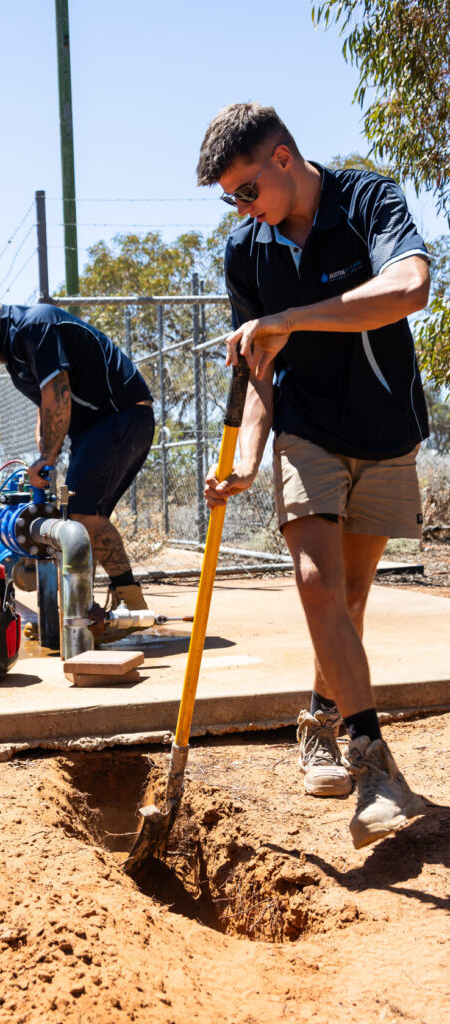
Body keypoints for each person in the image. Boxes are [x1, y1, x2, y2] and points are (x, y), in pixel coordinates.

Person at [197, 102, 430, 849]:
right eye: (230, 199)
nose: (241, 209)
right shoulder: (246, 252)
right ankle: (373, 764)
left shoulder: (369, 201)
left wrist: (293, 318)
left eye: (243, 190)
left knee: (352, 597)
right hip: (305, 432)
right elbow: (262, 372)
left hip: (386, 429)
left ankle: (318, 720)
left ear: (282, 160)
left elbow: (408, 290)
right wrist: (245, 457)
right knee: (314, 584)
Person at [0, 296, 155, 610]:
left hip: (118, 415)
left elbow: (57, 392)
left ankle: (96, 611)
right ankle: (110, 605)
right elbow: (44, 408)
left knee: (80, 517)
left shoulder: (35, 324)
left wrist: (47, 456)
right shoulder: (14, 349)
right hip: (95, 429)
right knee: (84, 520)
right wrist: (44, 457)